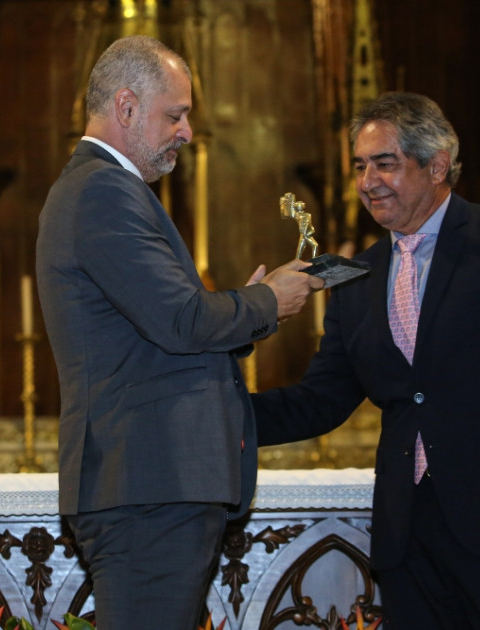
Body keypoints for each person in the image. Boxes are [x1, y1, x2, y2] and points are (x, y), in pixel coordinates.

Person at [252, 92, 480, 629]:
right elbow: (320, 401)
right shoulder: (356, 276)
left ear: (438, 165)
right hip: (407, 538)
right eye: (360, 166)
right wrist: (215, 411)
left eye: (385, 163)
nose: (368, 181)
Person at [35, 35, 322, 629]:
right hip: (146, 483)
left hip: (149, 484)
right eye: (177, 114)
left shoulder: (105, 190)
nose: (187, 132)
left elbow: (164, 324)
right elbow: (181, 321)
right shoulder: (102, 191)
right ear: (126, 107)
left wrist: (246, 308)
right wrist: (269, 301)